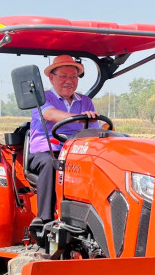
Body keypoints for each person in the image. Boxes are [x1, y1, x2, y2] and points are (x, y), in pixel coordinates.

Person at [28, 55, 100, 229]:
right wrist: (79, 118)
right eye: (63, 76)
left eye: (74, 77)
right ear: (51, 78)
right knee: (50, 163)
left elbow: (96, 127)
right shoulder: (41, 98)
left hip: (75, 152)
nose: (69, 81)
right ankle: (44, 220)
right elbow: (50, 114)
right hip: (45, 151)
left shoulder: (85, 101)